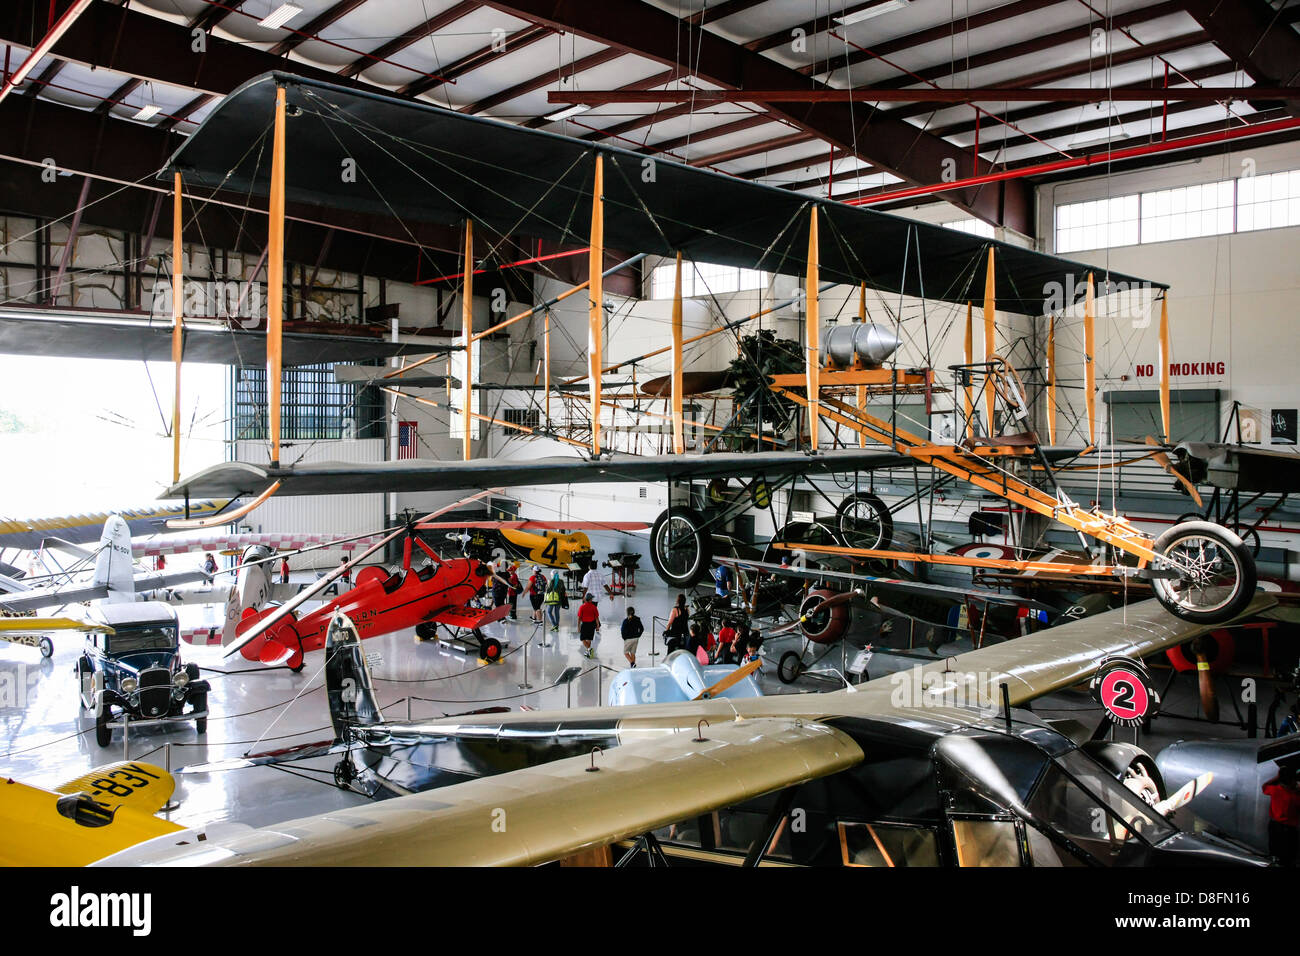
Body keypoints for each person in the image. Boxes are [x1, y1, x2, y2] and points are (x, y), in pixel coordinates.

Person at [1263, 765, 1300, 866]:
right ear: (1292, 781)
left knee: (1275, 854)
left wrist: (1277, 777)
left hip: (1274, 826)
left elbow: (1264, 787)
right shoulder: (1295, 797)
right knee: (1289, 857)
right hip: (1289, 831)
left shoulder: (1274, 790)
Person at [577, 594, 601, 658]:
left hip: (584, 625)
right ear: (590, 600)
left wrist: (578, 627)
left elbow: (579, 618)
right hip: (592, 625)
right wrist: (597, 626)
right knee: (589, 639)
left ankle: (589, 650)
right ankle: (589, 652)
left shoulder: (582, 607)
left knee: (582, 639)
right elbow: (596, 618)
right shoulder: (594, 607)